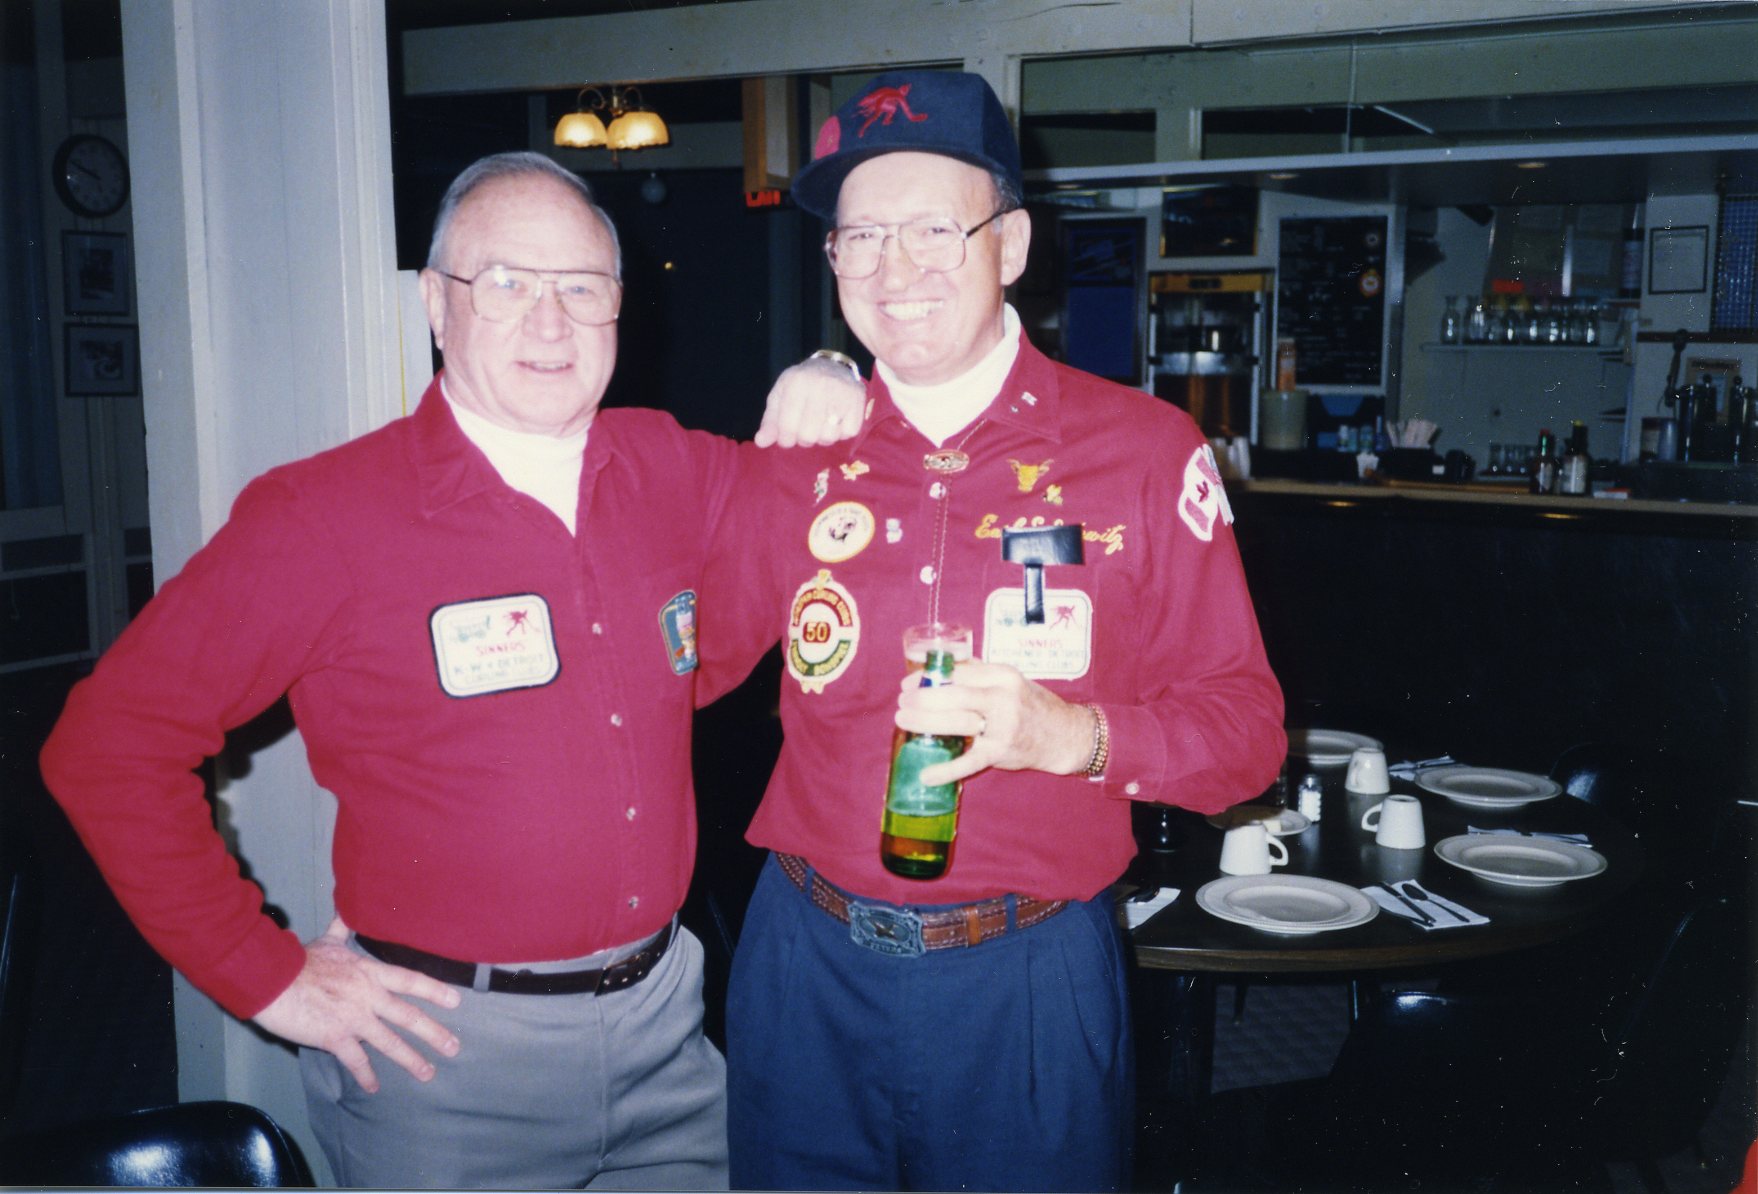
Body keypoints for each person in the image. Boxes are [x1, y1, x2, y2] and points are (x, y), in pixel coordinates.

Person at [38, 151, 860, 1190]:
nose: (550, 322)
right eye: (505, 283)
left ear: (621, 307)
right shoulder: (323, 516)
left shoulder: (670, 464)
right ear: (435, 303)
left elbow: (738, 615)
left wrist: (834, 374)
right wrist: (267, 976)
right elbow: (107, 746)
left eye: (582, 288)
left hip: (668, 1030)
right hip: (444, 1069)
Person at [697, 71, 1286, 1192]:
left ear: (1010, 244)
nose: (893, 269)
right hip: (804, 971)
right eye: (860, 237)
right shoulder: (797, 455)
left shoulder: (1145, 451)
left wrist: (1074, 737)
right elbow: (673, 669)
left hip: (1028, 979)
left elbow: (1247, 735)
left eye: (933, 229)